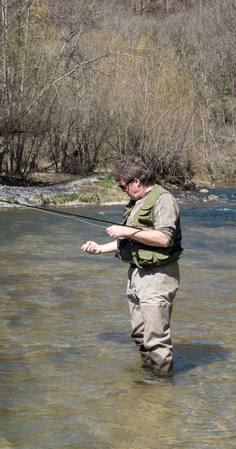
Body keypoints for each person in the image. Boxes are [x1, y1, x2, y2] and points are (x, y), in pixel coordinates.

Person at [81, 155, 182, 377]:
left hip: (158, 276)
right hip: (136, 274)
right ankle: (149, 375)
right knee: (139, 334)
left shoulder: (163, 200)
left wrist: (127, 230)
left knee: (156, 337)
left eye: (123, 186)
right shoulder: (137, 202)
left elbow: (164, 238)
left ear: (136, 181)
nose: (123, 190)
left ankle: (162, 386)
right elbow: (130, 240)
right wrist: (100, 248)